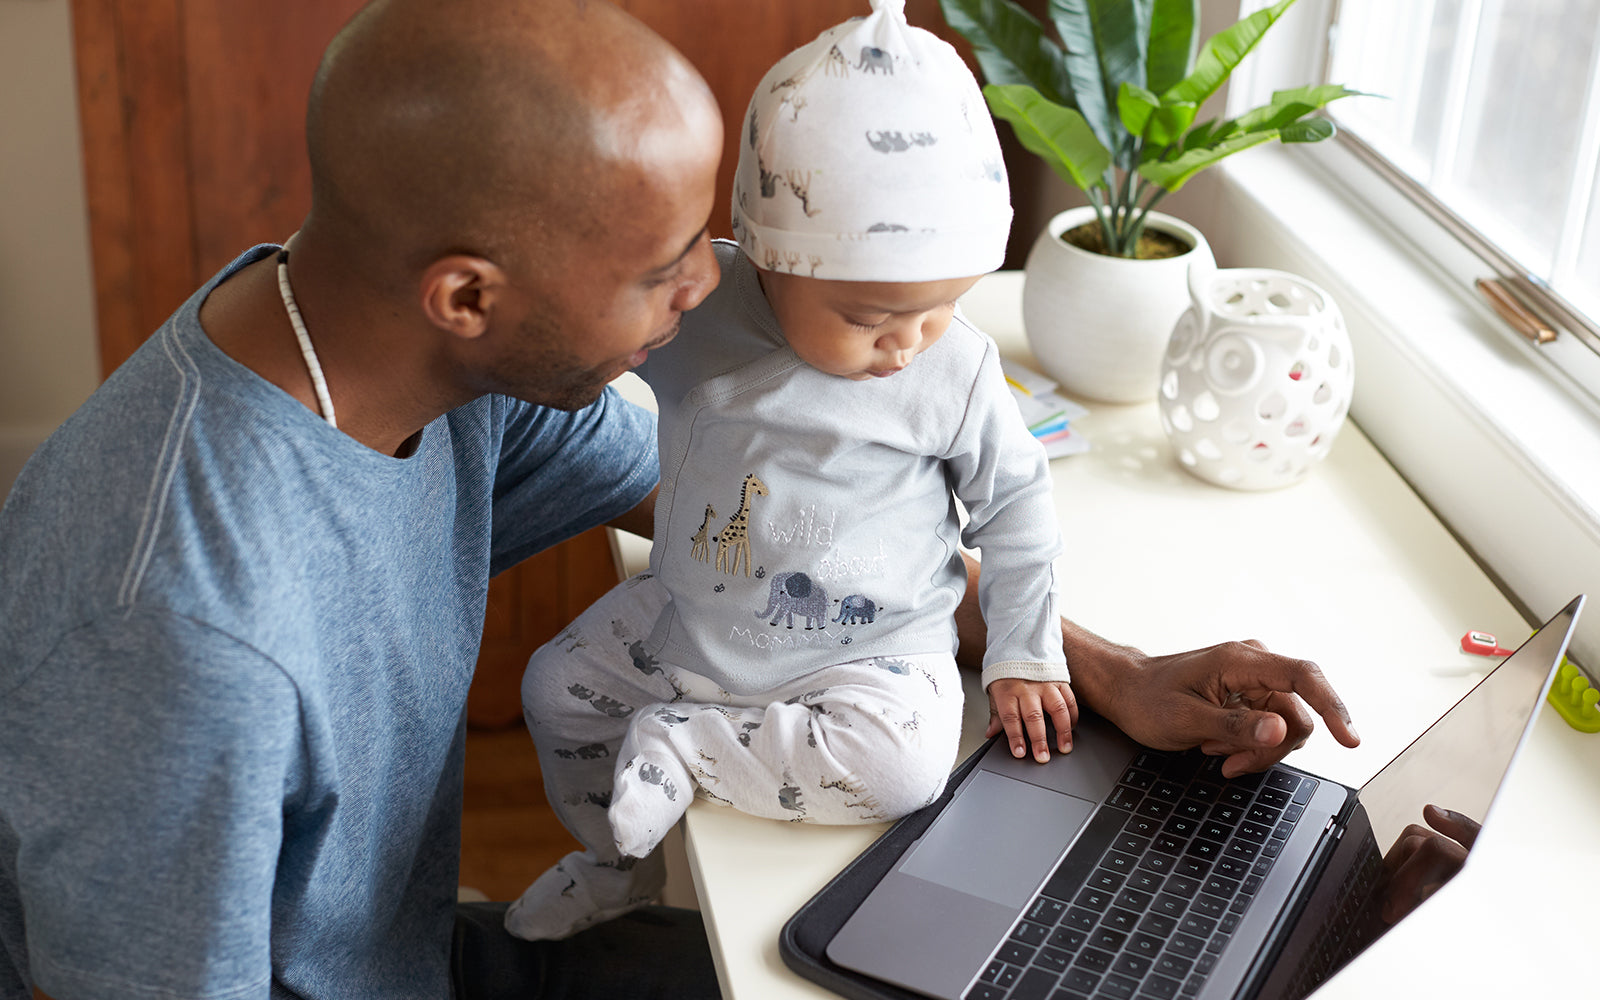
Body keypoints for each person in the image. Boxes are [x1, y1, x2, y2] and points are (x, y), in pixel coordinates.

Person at [0, 0, 1357, 996]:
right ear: (471, 294)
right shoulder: (183, 630)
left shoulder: (407, 362)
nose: (713, 295)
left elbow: (786, 537)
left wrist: (1084, 668)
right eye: (665, 271)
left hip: (411, 952)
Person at [504, 0, 1078, 943]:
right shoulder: (703, 308)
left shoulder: (954, 368)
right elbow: (586, 325)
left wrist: (1023, 652)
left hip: (874, 650)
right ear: (768, 256)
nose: (908, 345)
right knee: (554, 689)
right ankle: (615, 867)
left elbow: (1017, 506)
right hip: (691, 617)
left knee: (906, 772)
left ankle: (691, 748)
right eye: (869, 317)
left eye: (938, 310)